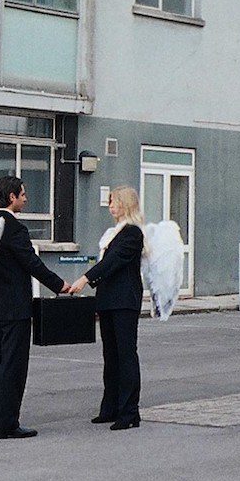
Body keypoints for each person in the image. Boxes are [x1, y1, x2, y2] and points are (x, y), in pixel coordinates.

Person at [0, 175, 70, 439]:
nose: (26, 199)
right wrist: (59, 284)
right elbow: (31, 263)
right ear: (12, 197)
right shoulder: (15, 229)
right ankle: (7, 424)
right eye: (23, 194)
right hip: (15, 307)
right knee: (13, 365)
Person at [68, 185, 145, 431]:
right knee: (110, 356)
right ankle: (110, 408)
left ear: (126, 204)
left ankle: (129, 412)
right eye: (110, 201)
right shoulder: (113, 233)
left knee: (125, 354)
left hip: (124, 301)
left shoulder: (132, 233)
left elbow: (113, 262)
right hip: (109, 299)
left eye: (115, 202)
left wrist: (85, 279)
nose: (111, 206)